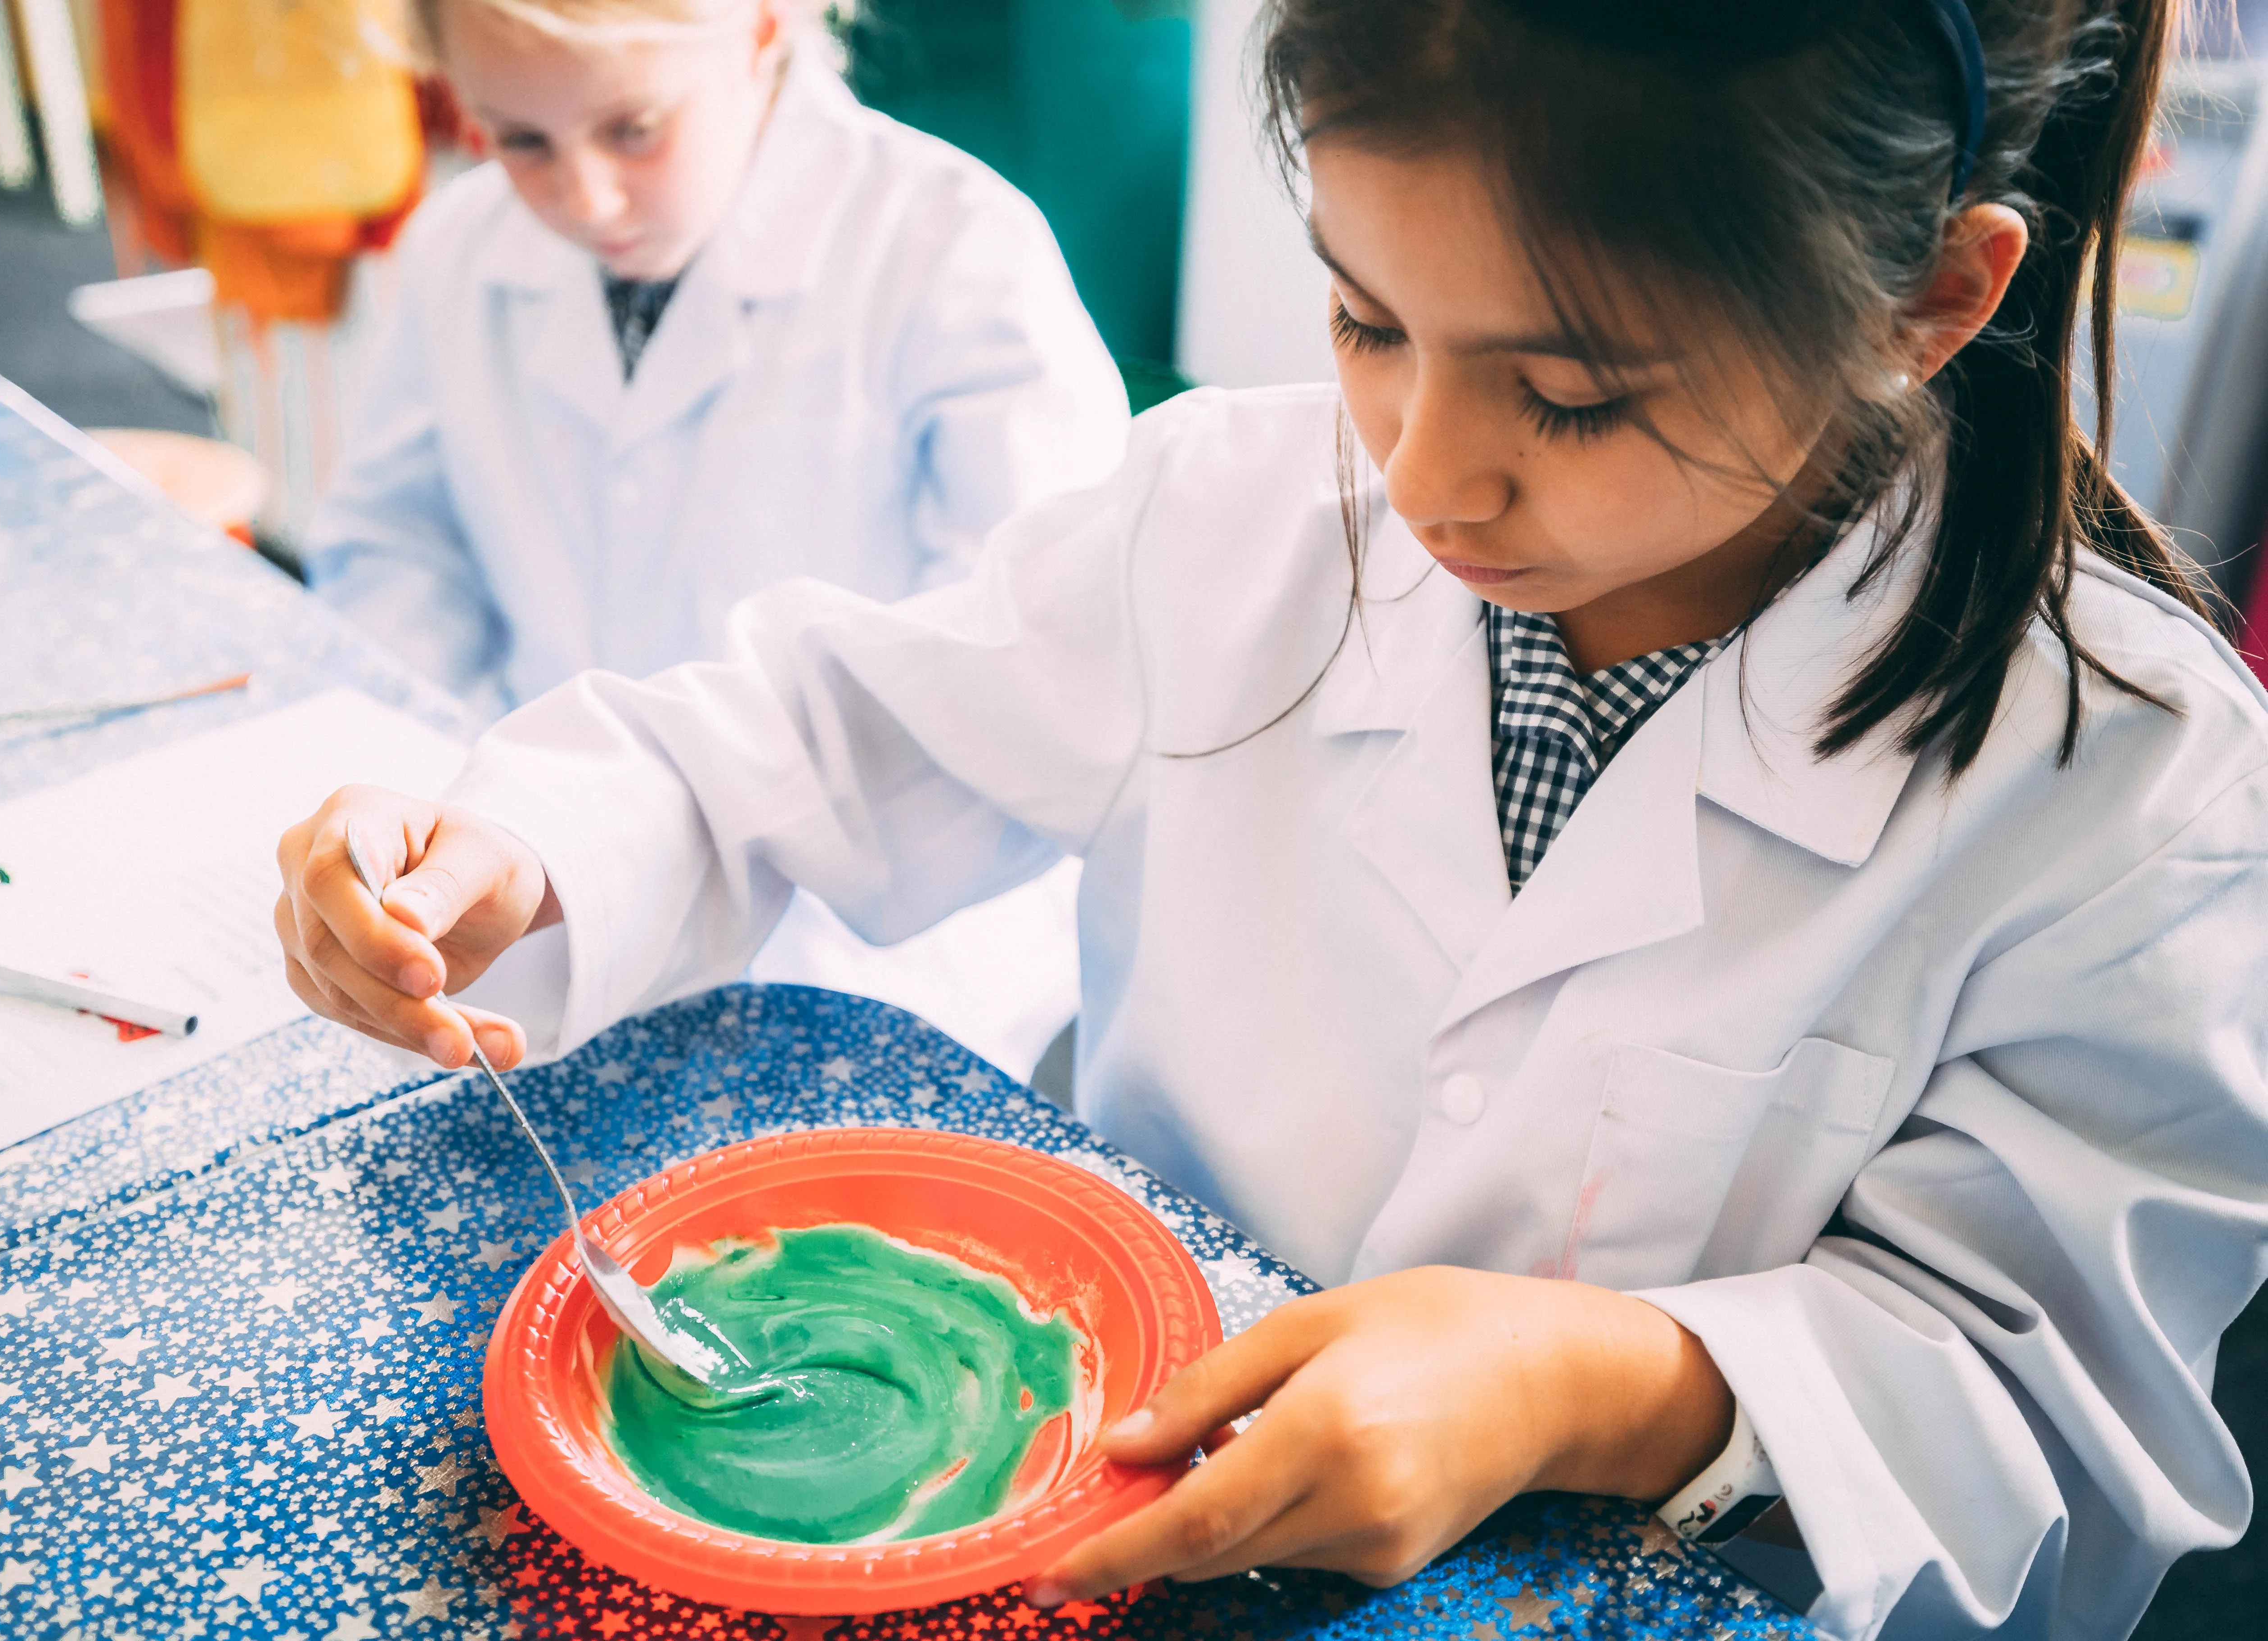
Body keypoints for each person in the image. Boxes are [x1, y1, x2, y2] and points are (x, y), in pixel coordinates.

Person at [272, 1, 2268, 1635]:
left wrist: (1601, 1386)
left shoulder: (2135, 788)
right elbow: (814, 730)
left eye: (1570, 400)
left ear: (1927, 300)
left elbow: (2053, 1405)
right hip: (1083, 1500)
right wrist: (519, 845)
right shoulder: (1226, 515)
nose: (1426, 478)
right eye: (1368, 322)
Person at [305, 0, 1128, 1077]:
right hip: (530, 884)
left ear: (761, 29)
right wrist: (422, 821)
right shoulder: (459, 249)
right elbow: (399, 552)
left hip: (868, 937)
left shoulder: (953, 248)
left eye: (635, 128)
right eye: (520, 140)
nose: (587, 196)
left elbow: (1016, 678)